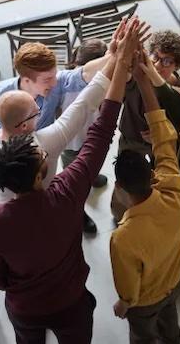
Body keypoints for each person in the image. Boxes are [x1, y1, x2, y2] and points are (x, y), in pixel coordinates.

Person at [0, 18, 140, 344]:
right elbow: (97, 126)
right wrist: (121, 65)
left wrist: (113, 58)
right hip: (69, 302)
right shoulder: (65, 194)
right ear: (42, 170)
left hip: (25, 307)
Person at [0, 65, 111, 320]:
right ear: (23, 125)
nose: (40, 112)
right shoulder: (44, 143)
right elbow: (84, 105)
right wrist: (116, 62)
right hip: (42, 213)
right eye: (36, 111)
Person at [0, 41, 111, 235]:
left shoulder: (54, 86)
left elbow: (82, 75)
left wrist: (112, 56)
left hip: (44, 158)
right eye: (47, 79)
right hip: (9, 173)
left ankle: (77, 214)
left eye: (55, 75)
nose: (54, 83)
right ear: (26, 80)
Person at [110, 52, 180, 344]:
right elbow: (164, 139)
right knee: (171, 323)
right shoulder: (174, 188)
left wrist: (125, 302)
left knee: (142, 336)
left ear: (119, 186)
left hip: (147, 299)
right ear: (151, 171)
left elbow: (129, 283)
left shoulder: (124, 237)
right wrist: (145, 83)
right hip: (175, 280)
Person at [111, 30, 180, 222]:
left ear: (176, 66)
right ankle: (121, 213)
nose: (157, 64)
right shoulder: (136, 74)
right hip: (130, 137)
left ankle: (152, 215)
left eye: (166, 62)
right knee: (125, 180)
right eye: (156, 56)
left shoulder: (176, 89)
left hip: (159, 146)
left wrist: (160, 134)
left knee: (157, 181)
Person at [61, 39, 109, 231]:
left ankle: (93, 176)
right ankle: (78, 214)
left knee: (91, 162)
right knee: (74, 181)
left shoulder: (101, 81)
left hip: (89, 136)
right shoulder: (66, 83)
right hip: (70, 142)